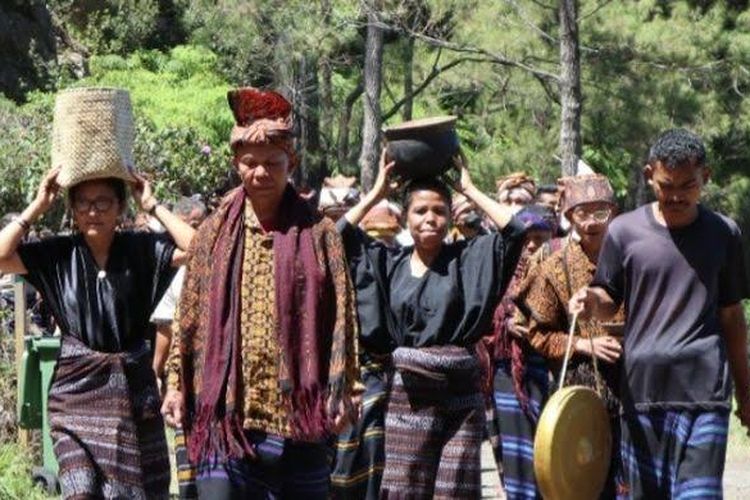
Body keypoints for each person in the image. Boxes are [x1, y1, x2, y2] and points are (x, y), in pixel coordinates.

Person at [161, 87, 360, 499]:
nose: (261, 173)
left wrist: (346, 388)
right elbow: (188, 317)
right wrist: (177, 385)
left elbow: (343, 316)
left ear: (293, 164)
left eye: (273, 163)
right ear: (236, 164)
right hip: (226, 415)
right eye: (250, 163)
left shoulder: (320, 234)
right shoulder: (212, 236)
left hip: (299, 417)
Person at [569, 129, 750, 499]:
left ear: (706, 178)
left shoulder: (724, 234)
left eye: (689, 185)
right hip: (642, 391)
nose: (677, 196)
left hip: (705, 391)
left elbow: (732, 317)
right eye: (667, 185)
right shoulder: (624, 232)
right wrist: (590, 300)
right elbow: (608, 296)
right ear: (649, 174)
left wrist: (746, 393)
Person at [338, 151, 525, 498]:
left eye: (439, 211)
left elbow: (515, 232)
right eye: (420, 211)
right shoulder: (387, 263)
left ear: (450, 216)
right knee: (406, 486)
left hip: (461, 399)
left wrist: (469, 189)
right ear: (406, 218)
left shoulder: (468, 259)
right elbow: (337, 236)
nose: (430, 219)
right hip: (408, 399)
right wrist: (377, 194)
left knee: (454, 490)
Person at [0, 168, 195, 498]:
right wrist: (37, 205)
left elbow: (200, 249)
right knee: (80, 491)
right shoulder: (57, 254)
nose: (93, 211)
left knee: (134, 490)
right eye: (83, 203)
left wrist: (152, 205)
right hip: (75, 395)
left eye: (104, 202)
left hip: (132, 393)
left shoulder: (142, 249)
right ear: (73, 209)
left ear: (120, 207)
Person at [522, 175, 624, 498]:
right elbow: (537, 334)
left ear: (614, 212)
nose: (591, 222)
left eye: (601, 212)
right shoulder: (554, 267)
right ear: (568, 216)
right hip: (579, 394)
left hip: (635, 386)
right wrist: (582, 343)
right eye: (582, 213)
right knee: (580, 483)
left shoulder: (634, 259)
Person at [484, 204, 555, 500]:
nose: (532, 246)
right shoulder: (496, 273)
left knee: (552, 450)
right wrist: (504, 325)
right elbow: (480, 320)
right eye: (526, 238)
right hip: (508, 375)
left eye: (540, 238)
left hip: (551, 371)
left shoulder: (558, 270)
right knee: (519, 458)